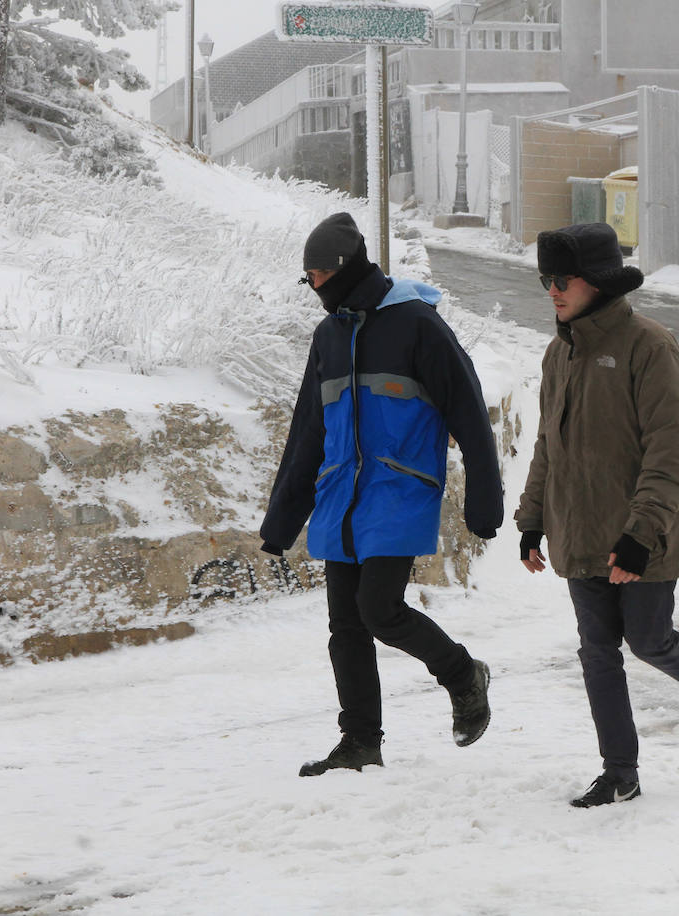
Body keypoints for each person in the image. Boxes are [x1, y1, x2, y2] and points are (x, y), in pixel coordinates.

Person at [515, 221, 679, 808]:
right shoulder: (559, 353)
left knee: (649, 640)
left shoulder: (649, 346)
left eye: (563, 279)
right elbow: (550, 444)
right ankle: (619, 771)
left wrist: (640, 534)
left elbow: (670, 451)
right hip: (578, 530)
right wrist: (532, 518)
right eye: (546, 279)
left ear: (596, 281)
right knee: (597, 650)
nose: (552, 290)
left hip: (642, 534)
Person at [261, 212, 503, 777]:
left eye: (320, 273)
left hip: (399, 490)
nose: (315, 286)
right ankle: (360, 741)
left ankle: (463, 674)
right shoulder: (328, 336)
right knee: (345, 625)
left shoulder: (416, 324)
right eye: (309, 277)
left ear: (346, 269)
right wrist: (282, 520)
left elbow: (468, 411)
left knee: (379, 609)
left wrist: (484, 502)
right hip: (342, 496)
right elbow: (308, 432)